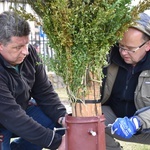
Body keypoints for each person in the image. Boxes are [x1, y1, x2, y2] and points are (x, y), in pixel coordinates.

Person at [0, 11, 67, 150]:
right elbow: (12, 115)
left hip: (19, 111)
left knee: (51, 118)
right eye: (18, 47)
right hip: (5, 117)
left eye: (26, 44)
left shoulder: (29, 55)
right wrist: (56, 143)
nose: (26, 51)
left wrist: (62, 117)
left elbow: (44, 92)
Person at [101, 12, 150, 150]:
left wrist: (137, 122)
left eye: (130, 49)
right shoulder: (109, 59)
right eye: (121, 46)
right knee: (89, 119)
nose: (123, 53)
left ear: (148, 45)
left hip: (146, 126)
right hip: (115, 121)